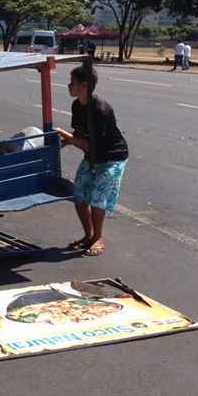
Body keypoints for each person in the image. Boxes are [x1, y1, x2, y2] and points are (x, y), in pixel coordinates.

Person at [54, 64, 129, 257]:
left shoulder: (100, 110)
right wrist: (63, 142)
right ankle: (88, 236)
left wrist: (67, 137)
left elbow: (88, 145)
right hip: (93, 156)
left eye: (73, 83)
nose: (69, 86)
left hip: (111, 157)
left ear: (85, 86)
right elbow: (80, 133)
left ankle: (98, 238)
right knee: (79, 195)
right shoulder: (77, 105)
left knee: (97, 200)